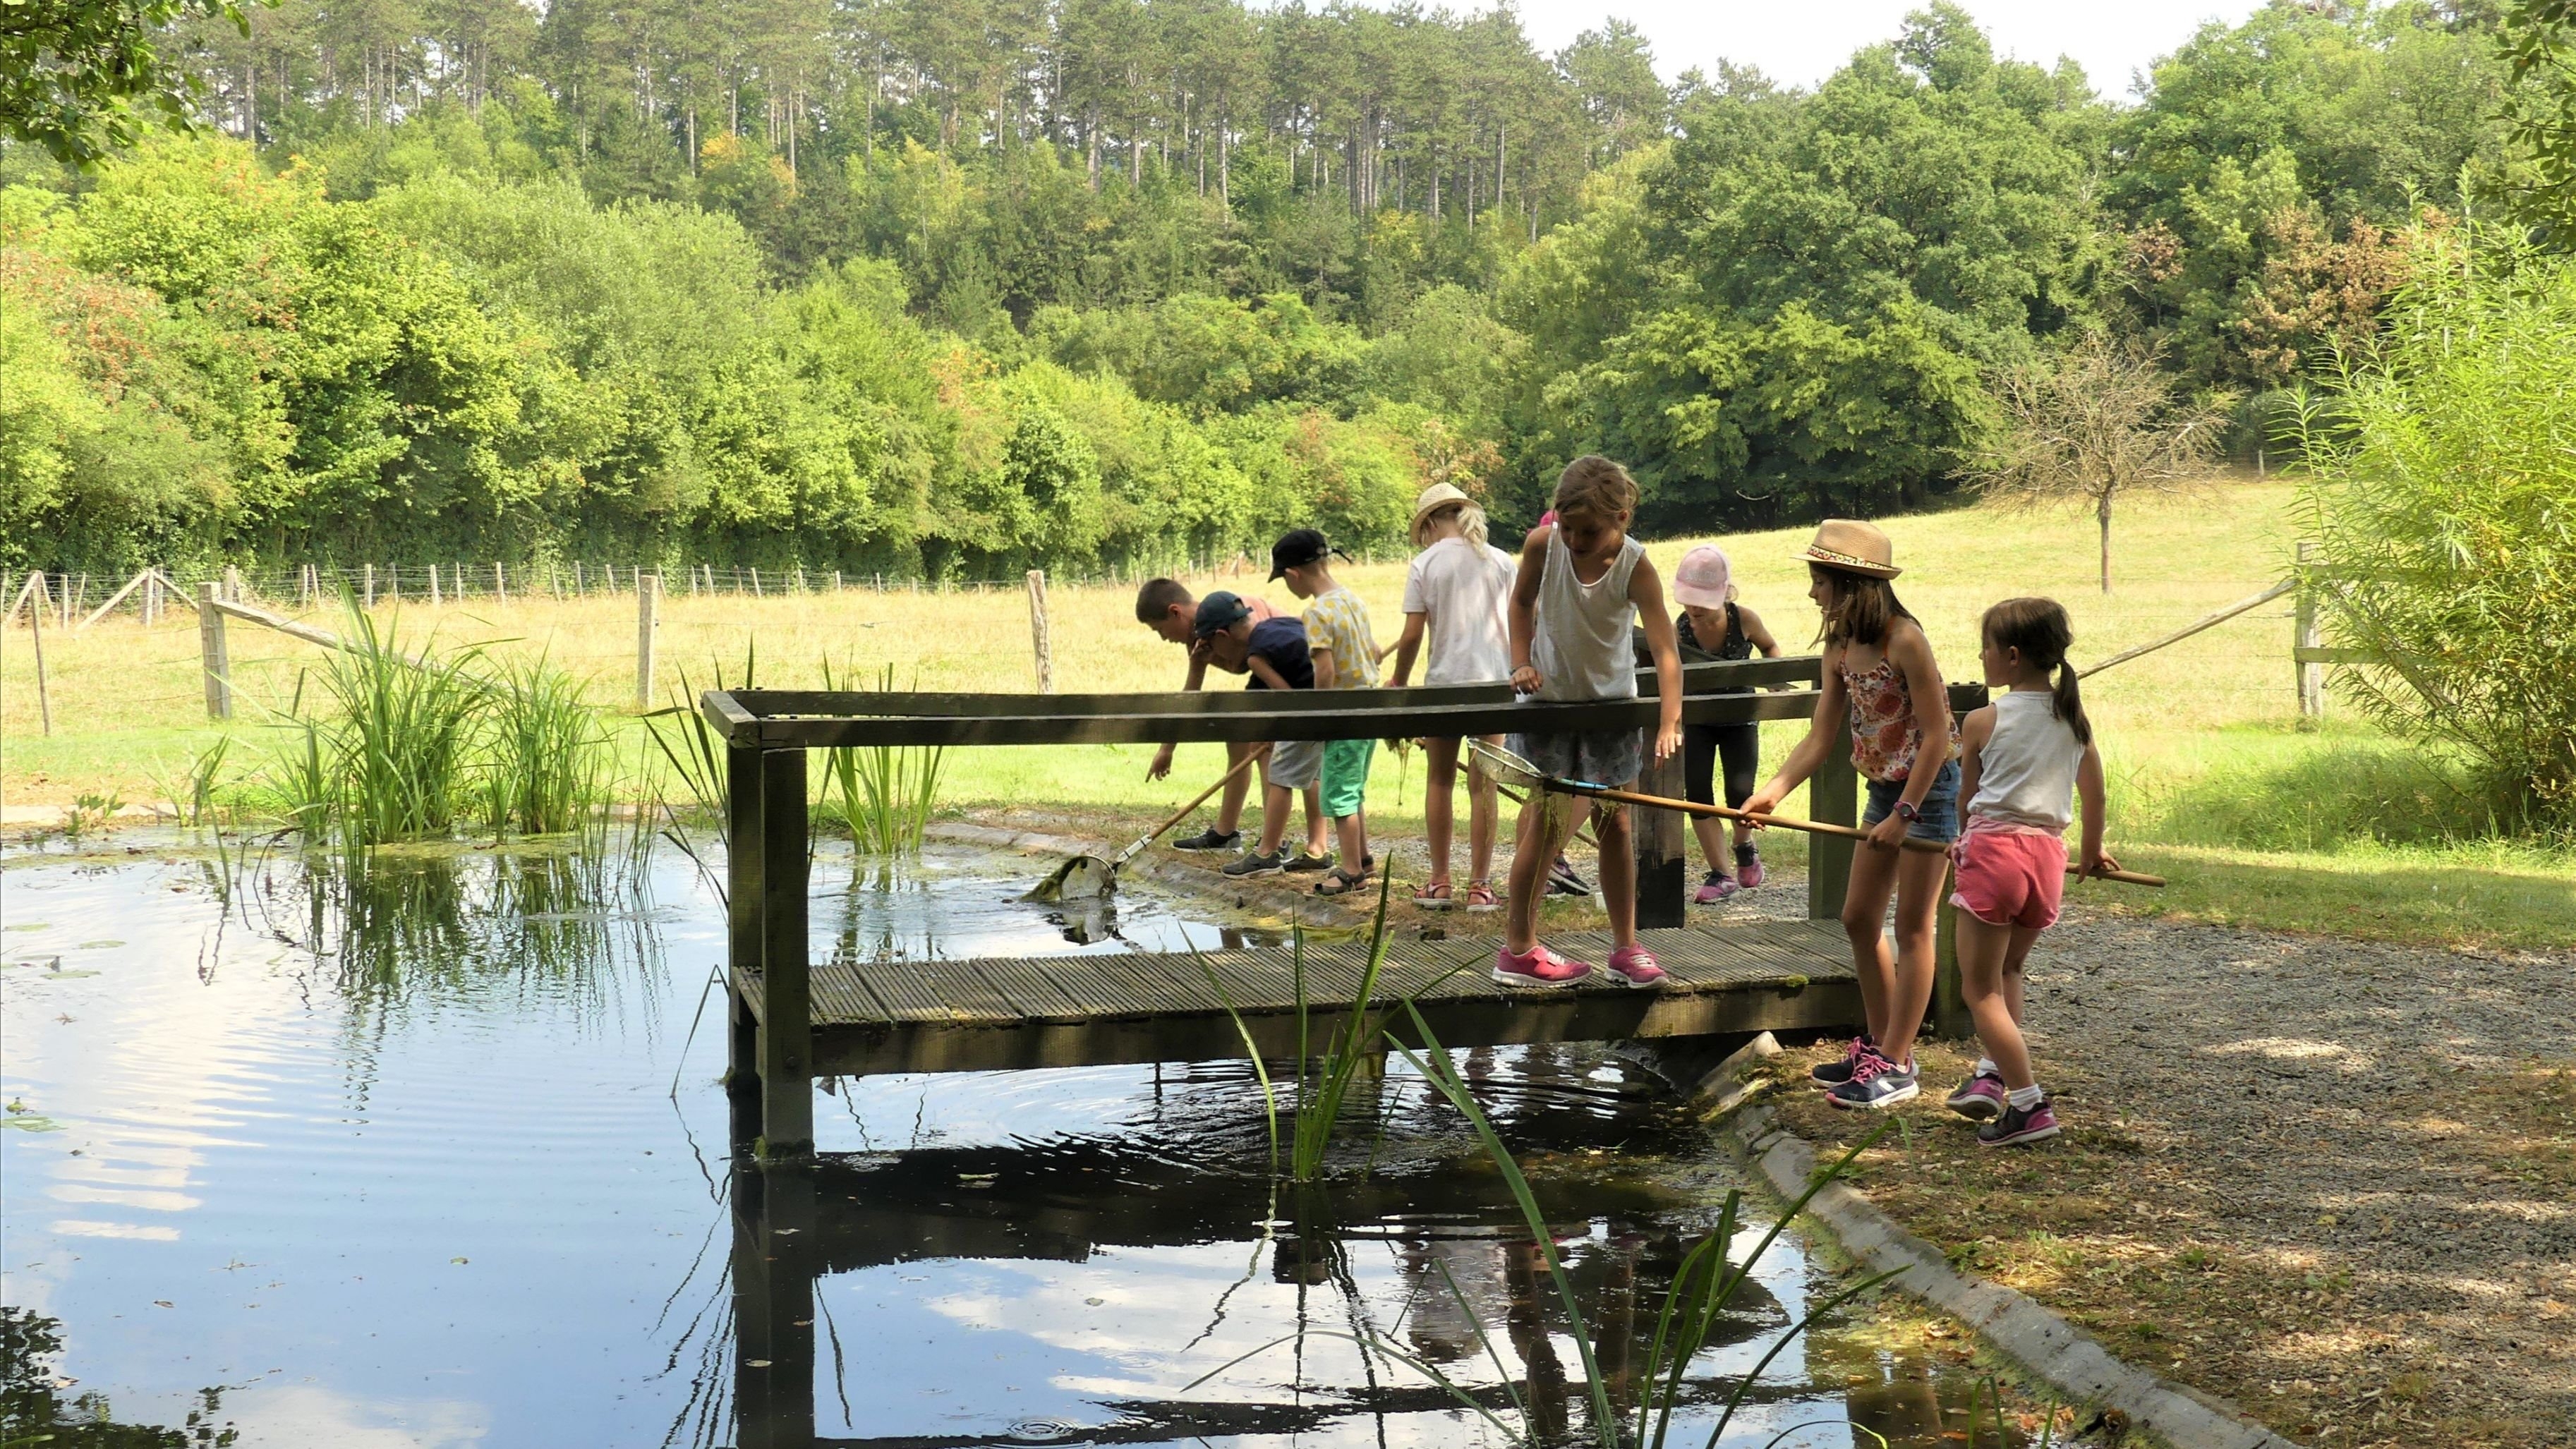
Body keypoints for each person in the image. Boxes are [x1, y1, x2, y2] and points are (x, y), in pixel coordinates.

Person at [1741, 520, 1959, 1109]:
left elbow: (1936, 736)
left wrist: (1906, 813)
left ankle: (1898, 1063)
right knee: (1858, 917)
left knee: (1912, 927)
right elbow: (1821, 735)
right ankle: (1880, 1047)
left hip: (1929, 791)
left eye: (1820, 581)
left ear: (1850, 583)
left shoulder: (1904, 640)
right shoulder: (1837, 649)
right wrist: (1772, 792)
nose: (1812, 592)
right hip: (1885, 789)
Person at [1495, 456, 1685, 989]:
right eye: (1567, 527)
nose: (1576, 540)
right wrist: (1519, 663)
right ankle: (1518, 948)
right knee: (1547, 823)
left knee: (1616, 825)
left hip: (1611, 710)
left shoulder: (1635, 566)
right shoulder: (1543, 546)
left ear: (1621, 518)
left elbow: (1665, 649)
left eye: (1589, 531)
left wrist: (1670, 719)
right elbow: (1520, 604)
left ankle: (1626, 947)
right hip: (1548, 707)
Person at [1943, 598, 2115, 1148]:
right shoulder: (2072, 721)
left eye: (1986, 648)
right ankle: (1990, 1075)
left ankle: (2028, 1104)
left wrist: (1962, 842)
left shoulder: (1982, 720)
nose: (1981, 656)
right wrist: (2091, 851)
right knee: (2008, 971)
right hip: (2046, 859)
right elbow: (2094, 793)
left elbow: (1966, 798)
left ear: (2012, 656)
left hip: (1994, 854)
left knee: (1978, 990)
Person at [1386, 483, 1517, 911]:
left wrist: (1399, 680)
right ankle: (1481, 886)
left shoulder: (1425, 563)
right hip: (1494, 686)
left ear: (1429, 523)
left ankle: (1439, 882)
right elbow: (1523, 622)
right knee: (1484, 785)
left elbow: (1411, 635)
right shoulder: (1502, 561)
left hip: (1444, 686)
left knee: (1440, 781)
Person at [1195, 591, 1336, 877]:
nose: (1215, 654)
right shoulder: (1275, 627)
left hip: (1309, 709)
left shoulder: (1256, 657)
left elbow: (1285, 700)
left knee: (1279, 777)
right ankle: (1318, 849)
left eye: (1211, 645)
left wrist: (1275, 729)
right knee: (1313, 777)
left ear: (1223, 635)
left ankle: (1267, 853)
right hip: (1333, 703)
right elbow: (1259, 692)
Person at [1669, 546, 1781, 903]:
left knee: (1740, 792)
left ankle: (1744, 846)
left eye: (1702, 600)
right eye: (1688, 600)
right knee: (1697, 795)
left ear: (1724, 593)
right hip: (1698, 720)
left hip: (1740, 718)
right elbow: (1668, 667)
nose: (1694, 609)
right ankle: (1721, 874)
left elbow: (1770, 647)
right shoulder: (1680, 628)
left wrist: (1772, 678)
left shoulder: (1743, 619)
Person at [1273, 528, 1381, 896]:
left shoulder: (1317, 612)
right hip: (1370, 709)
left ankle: (1351, 873)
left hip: (1344, 715)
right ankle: (1363, 858)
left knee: (1338, 796)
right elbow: (1374, 651)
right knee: (1353, 790)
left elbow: (1325, 671)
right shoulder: (1352, 600)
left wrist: (1320, 716)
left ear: (1293, 574)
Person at [1134, 577, 1278, 851]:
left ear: (1175, 612)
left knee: (1263, 748)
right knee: (1238, 741)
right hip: (1262, 676)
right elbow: (1191, 696)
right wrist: (1167, 748)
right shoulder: (1198, 639)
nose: (1163, 638)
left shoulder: (1234, 612)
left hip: (1288, 672)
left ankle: (1275, 841)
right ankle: (1225, 835)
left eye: (1160, 629)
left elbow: (1271, 653)